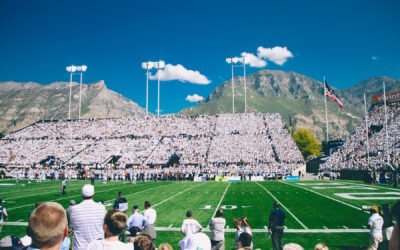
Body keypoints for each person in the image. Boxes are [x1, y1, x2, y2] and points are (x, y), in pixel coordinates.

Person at [70, 184, 106, 250]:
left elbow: (73, 225)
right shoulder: (101, 208)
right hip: (97, 246)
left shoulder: (74, 209)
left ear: (82, 194)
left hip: (80, 247)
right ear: (93, 194)